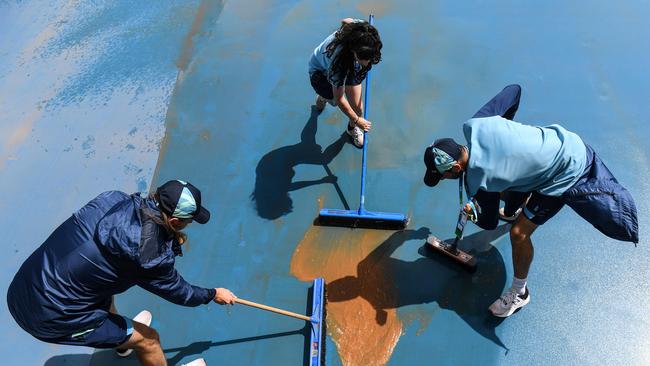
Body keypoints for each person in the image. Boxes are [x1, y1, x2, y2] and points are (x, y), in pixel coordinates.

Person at [422, 84, 638, 317]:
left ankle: (519, 293)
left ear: (456, 167)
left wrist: (472, 211)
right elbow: (514, 91)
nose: (444, 179)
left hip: (567, 172)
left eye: (443, 175)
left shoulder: (480, 179)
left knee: (518, 233)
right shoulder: (477, 124)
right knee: (513, 176)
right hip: (565, 141)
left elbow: (488, 223)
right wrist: (506, 131)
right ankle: (515, 209)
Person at [7, 180, 237, 366]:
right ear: (175, 220)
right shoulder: (150, 255)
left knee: (104, 281)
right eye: (188, 221)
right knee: (149, 341)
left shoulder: (111, 199)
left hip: (24, 285)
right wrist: (213, 293)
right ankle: (131, 341)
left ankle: (123, 343)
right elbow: (182, 293)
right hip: (51, 317)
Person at [308, 17, 382, 148]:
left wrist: (356, 119)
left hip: (348, 63)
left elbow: (346, 20)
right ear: (354, 52)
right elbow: (340, 98)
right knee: (335, 101)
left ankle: (351, 129)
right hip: (321, 73)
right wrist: (357, 120)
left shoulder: (360, 30)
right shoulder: (338, 64)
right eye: (366, 59)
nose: (369, 62)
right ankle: (323, 97)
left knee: (358, 108)